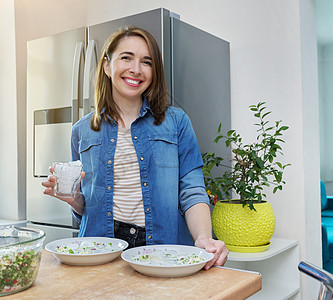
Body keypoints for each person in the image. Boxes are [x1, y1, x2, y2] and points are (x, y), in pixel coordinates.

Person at [42, 26, 228, 269]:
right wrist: (75, 200)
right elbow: (85, 209)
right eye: (126, 57)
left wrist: (203, 238)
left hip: (163, 249)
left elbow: (192, 190)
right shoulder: (81, 131)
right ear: (107, 66)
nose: (136, 69)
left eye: (146, 62)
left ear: (154, 72)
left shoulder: (177, 122)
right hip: (100, 250)